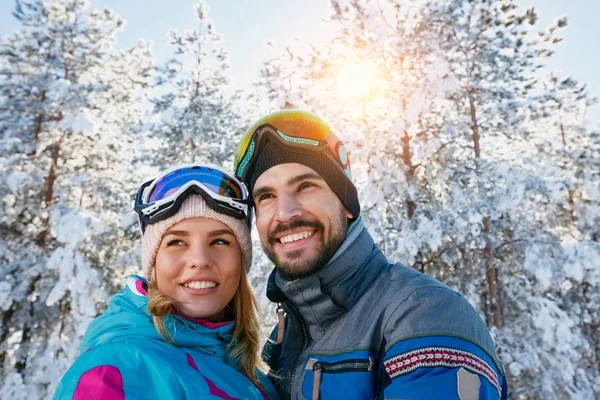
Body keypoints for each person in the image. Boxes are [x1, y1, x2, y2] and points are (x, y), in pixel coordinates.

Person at [232, 110, 508, 400]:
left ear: (347, 204)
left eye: (305, 186)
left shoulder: (425, 316)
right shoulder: (285, 338)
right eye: (266, 197)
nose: (285, 213)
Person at [53, 163, 278, 399]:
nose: (200, 260)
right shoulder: (114, 371)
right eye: (176, 242)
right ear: (154, 263)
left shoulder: (250, 371)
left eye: (220, 242)